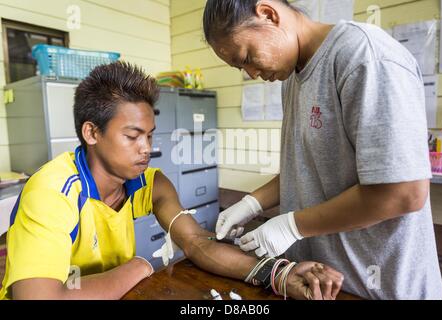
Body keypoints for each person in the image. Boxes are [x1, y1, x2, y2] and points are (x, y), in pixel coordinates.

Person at [0, 61, 344, 300]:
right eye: (133, 136)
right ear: (91, 132)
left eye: (150, 135)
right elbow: (40, 296)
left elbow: (197, 243)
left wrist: (278, 274)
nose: (147, 149)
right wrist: (138, 266)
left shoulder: (150, 183)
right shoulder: (52, 192)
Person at [203, 0, 442, 300]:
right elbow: (307, 166)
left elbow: (403, 192)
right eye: (241, 68)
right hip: (320, 282)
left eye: (248, 57)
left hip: (380, 287)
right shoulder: (291, 79)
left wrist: (291, 225)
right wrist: (252, 203)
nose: (251, 73)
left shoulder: (364, 57)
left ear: (268, 14)